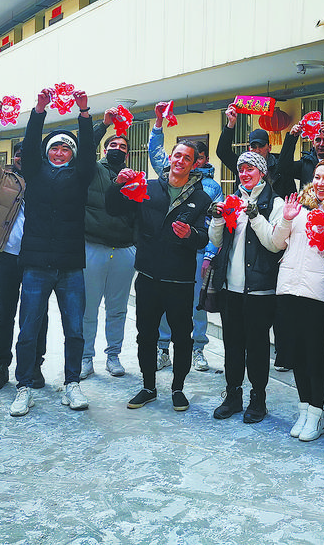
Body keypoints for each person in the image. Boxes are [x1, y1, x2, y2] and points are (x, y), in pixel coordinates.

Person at [9, 88, 95, 417]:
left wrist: (84, 114)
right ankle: (24, 386)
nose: (60, 152)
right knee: (28, 330)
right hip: (36, 265)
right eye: (55, 148)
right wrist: (39, 111)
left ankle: (72, 383)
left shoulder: (81, 175)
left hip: (70, 266)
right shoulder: (35, 171)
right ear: (48, 153)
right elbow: (30, 145)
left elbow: (88, 153)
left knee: (75, 330)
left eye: (66, 148)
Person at [106, 142, 210, 412]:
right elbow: (115, 208)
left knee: (182, 337)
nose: (181, 161)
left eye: (187, 158)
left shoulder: (201, 198)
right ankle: (148, 386)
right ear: (170, 158)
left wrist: (190, 235)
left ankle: (178, 388)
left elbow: (204, 238)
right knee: (146, 335)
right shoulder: (149, 188)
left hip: (180, 280)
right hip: (148, 275)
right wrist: (118, 185)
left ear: (194, 164)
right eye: (178, 155)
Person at [273, 159, 324, 440]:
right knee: (296, 354)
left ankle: (317, 413)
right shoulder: (299, 206)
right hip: (289, 287)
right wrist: (287, 218)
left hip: (319, 292)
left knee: (315, 356)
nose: (320, 183)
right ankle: (304, 409)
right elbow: (277, 243)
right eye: (317, 177)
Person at [209, 152, 286, 423]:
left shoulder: (274, 203)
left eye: (250, 168)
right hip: (230, 288)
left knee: (257, 347)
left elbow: (274, 244)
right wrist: (217, 219)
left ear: (262, 172)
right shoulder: (233, 199)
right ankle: (232, 395)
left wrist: (255, 216)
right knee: (232, 345)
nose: (244, 174)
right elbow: (216, 240)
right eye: (241, 169)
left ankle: (258, 398)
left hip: (260, 290)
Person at [0, 104, 48, 393]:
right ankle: (1, 366)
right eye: (17, 153)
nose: (21, 157)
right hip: (6, 256)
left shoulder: (47, 179)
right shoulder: (1, 178)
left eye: (26, 153)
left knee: (37, 315)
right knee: (4, 314)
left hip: (37, 260)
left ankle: (34, 365)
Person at [148, 103, 223, 373]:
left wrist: (210, 255)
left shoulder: (211, 188)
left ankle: (198, 348)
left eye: (196, 158)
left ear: (202, 160)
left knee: (196, 304)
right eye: (180, 156)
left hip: (199, 252)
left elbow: (215, 224)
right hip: (170, 253)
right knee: (165, 302)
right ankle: (162, 348)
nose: (189, 161)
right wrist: (158, 125)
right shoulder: (170, 176)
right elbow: (155, 153)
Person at [80, 118, 137, 380]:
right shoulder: (93, 170)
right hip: (93, 246)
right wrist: (102, 125)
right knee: (89, 307)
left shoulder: (134, 178)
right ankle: (85, 357)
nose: (118, 149)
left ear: (128, 153)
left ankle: (113, 355)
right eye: (113, 145)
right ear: (104, 150)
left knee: (118, 308)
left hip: (124, 250)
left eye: (123, 146)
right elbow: (85, 147)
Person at [217, 102, 296, 198]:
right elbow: (223, 152)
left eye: (261, 146)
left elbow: (291, 192)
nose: (257, 150)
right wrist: (231, 123)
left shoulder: (280, 165)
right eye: (254, 147)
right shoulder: (243, 163)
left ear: (269, 148)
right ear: (249, 149)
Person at [278, 120, 324, 189]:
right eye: (318, 140)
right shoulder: (306, 163)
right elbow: (283, 168)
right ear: (313, 143)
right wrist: (292, 138)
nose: (321, 144)